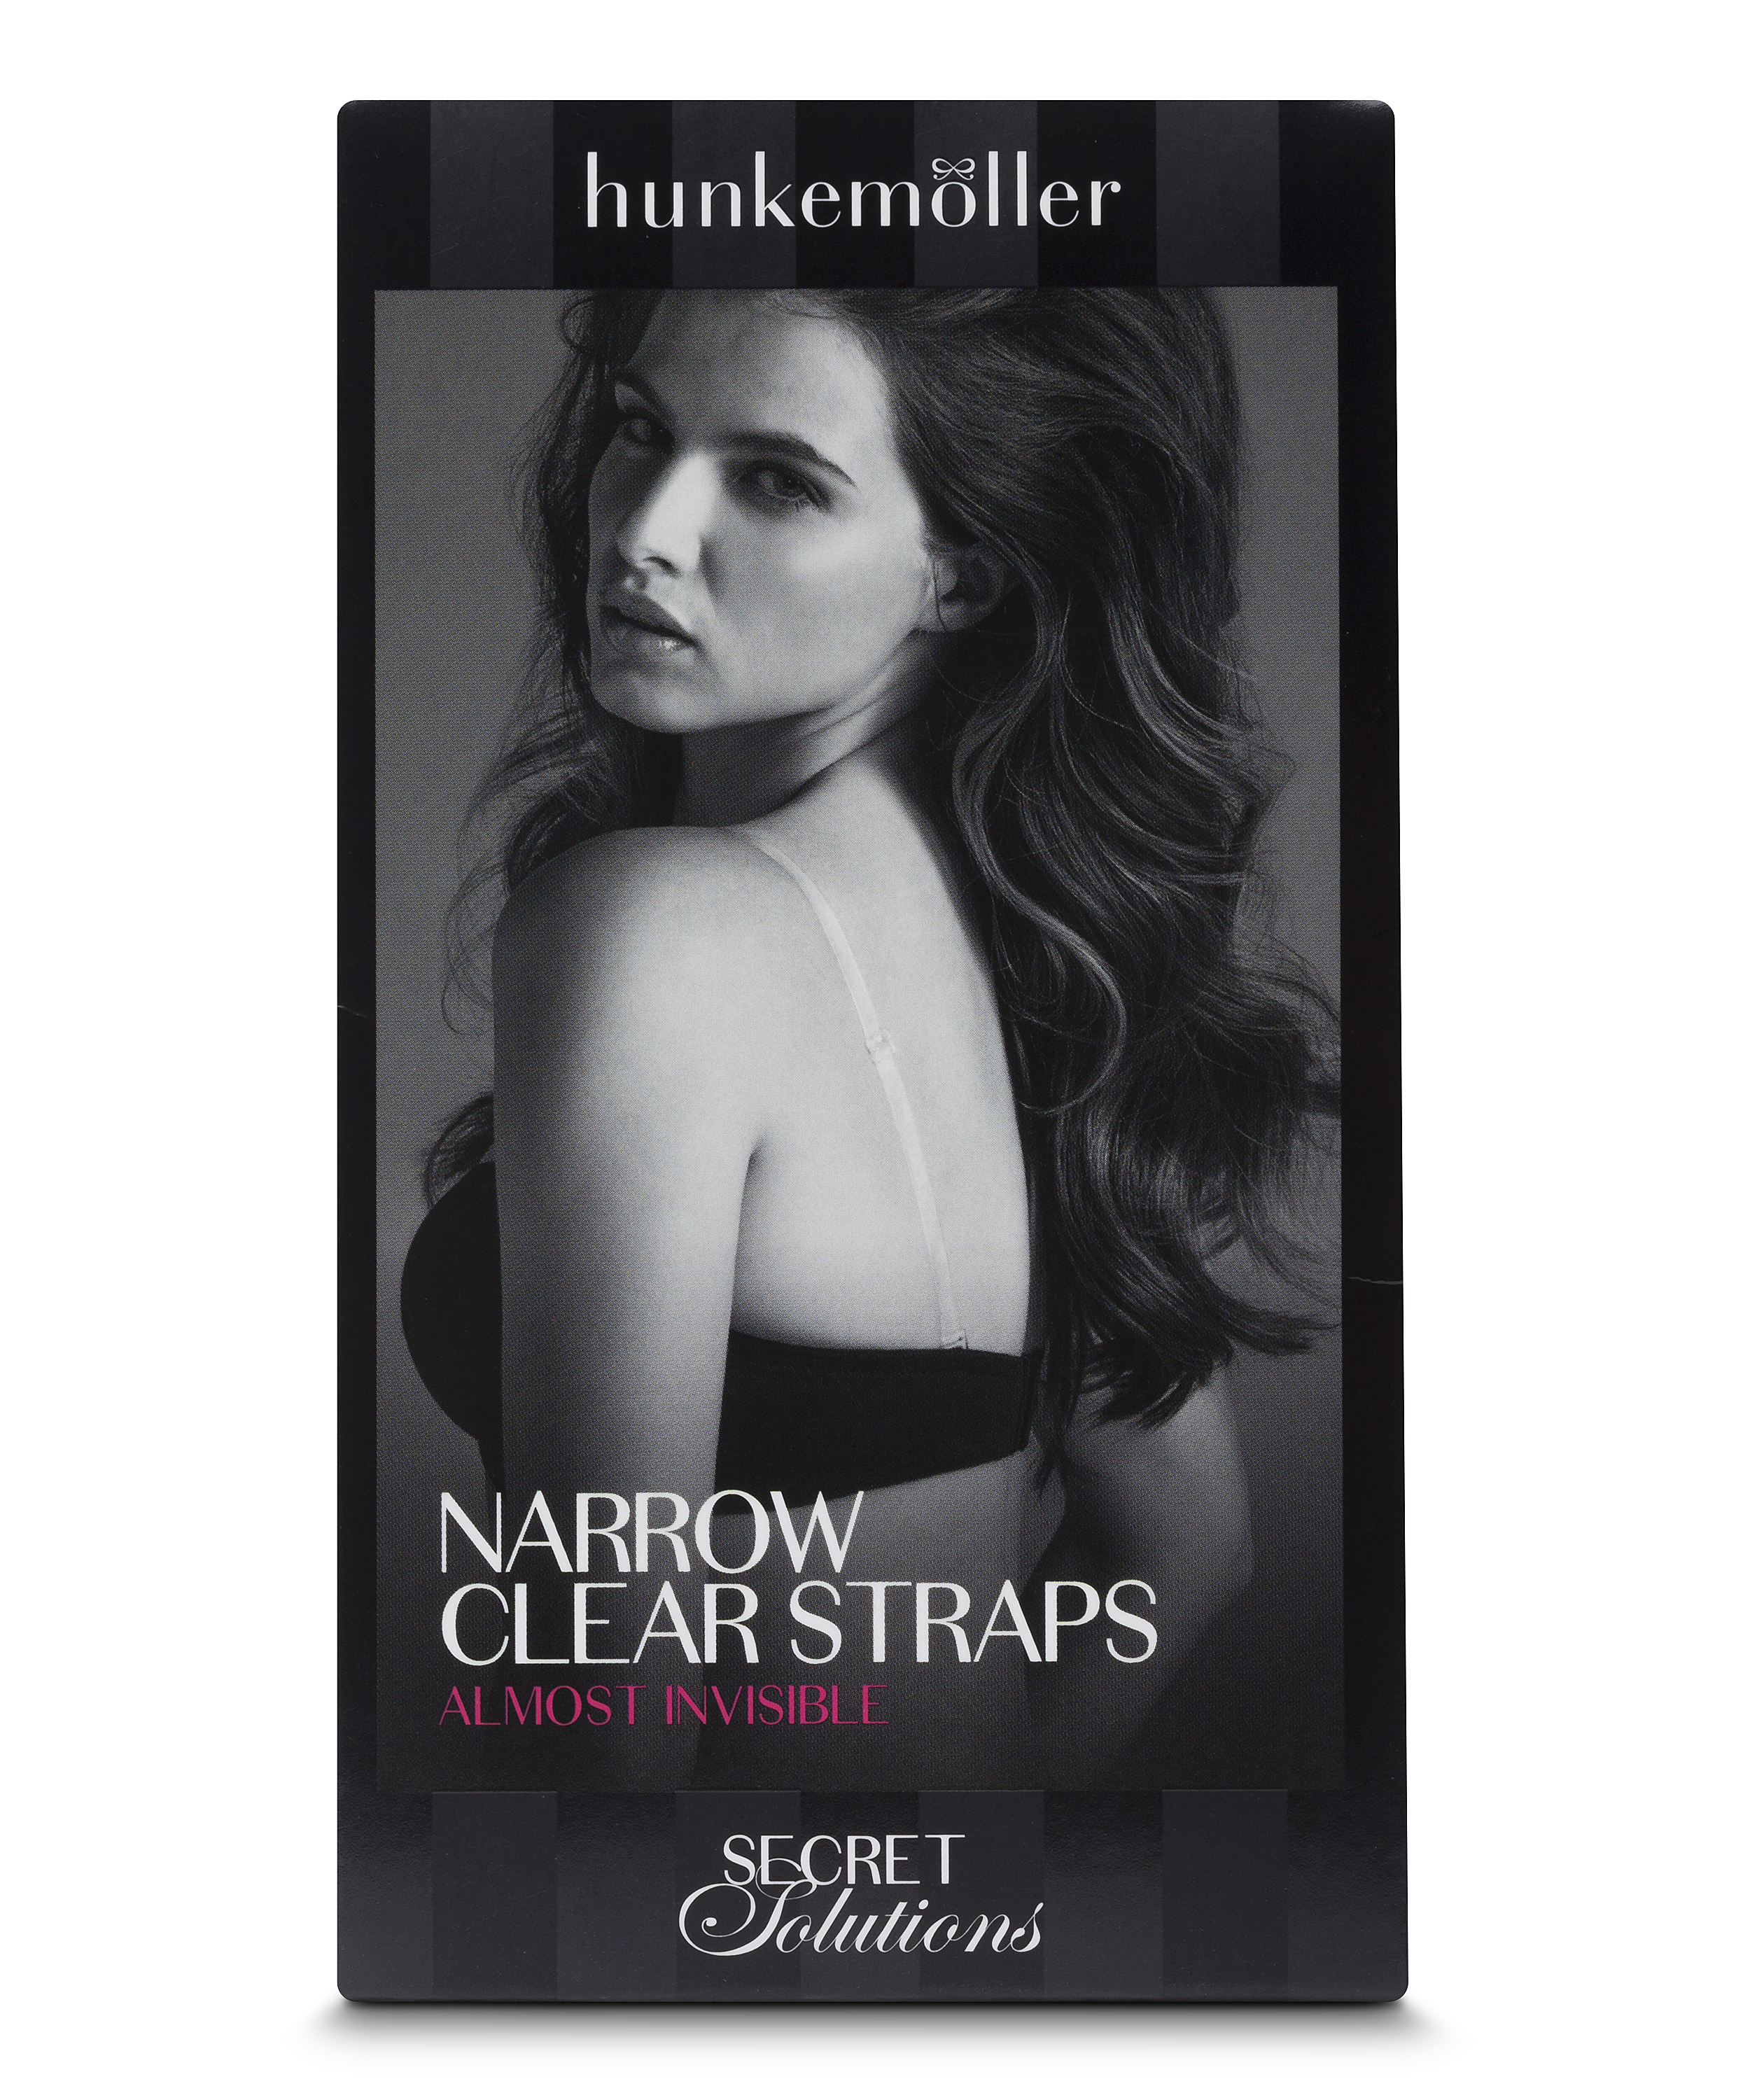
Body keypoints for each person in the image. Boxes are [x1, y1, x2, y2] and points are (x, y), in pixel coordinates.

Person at [402, 286, 1336, 1790]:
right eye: (639, 428)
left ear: (964, 572)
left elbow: (604, 1712)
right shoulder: (1029, 945)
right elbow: (1188, 1544)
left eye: (778, 481)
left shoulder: (654, 929)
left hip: (711, 1926)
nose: (642, 530)